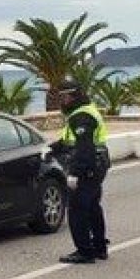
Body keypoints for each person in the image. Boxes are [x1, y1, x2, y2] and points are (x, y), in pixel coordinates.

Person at [49, 79, 111, 264]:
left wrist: (76, 173)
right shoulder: (85, 111)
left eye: (64, 97)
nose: (62, 101)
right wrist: (53, 148)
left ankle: (85, 251)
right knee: (92, 207)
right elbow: (70, 141)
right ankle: (100, 247)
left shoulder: (80, 117)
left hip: (88, 167)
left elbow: (84, 148)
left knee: (77, 209)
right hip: (98, 165)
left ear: (73, 96)